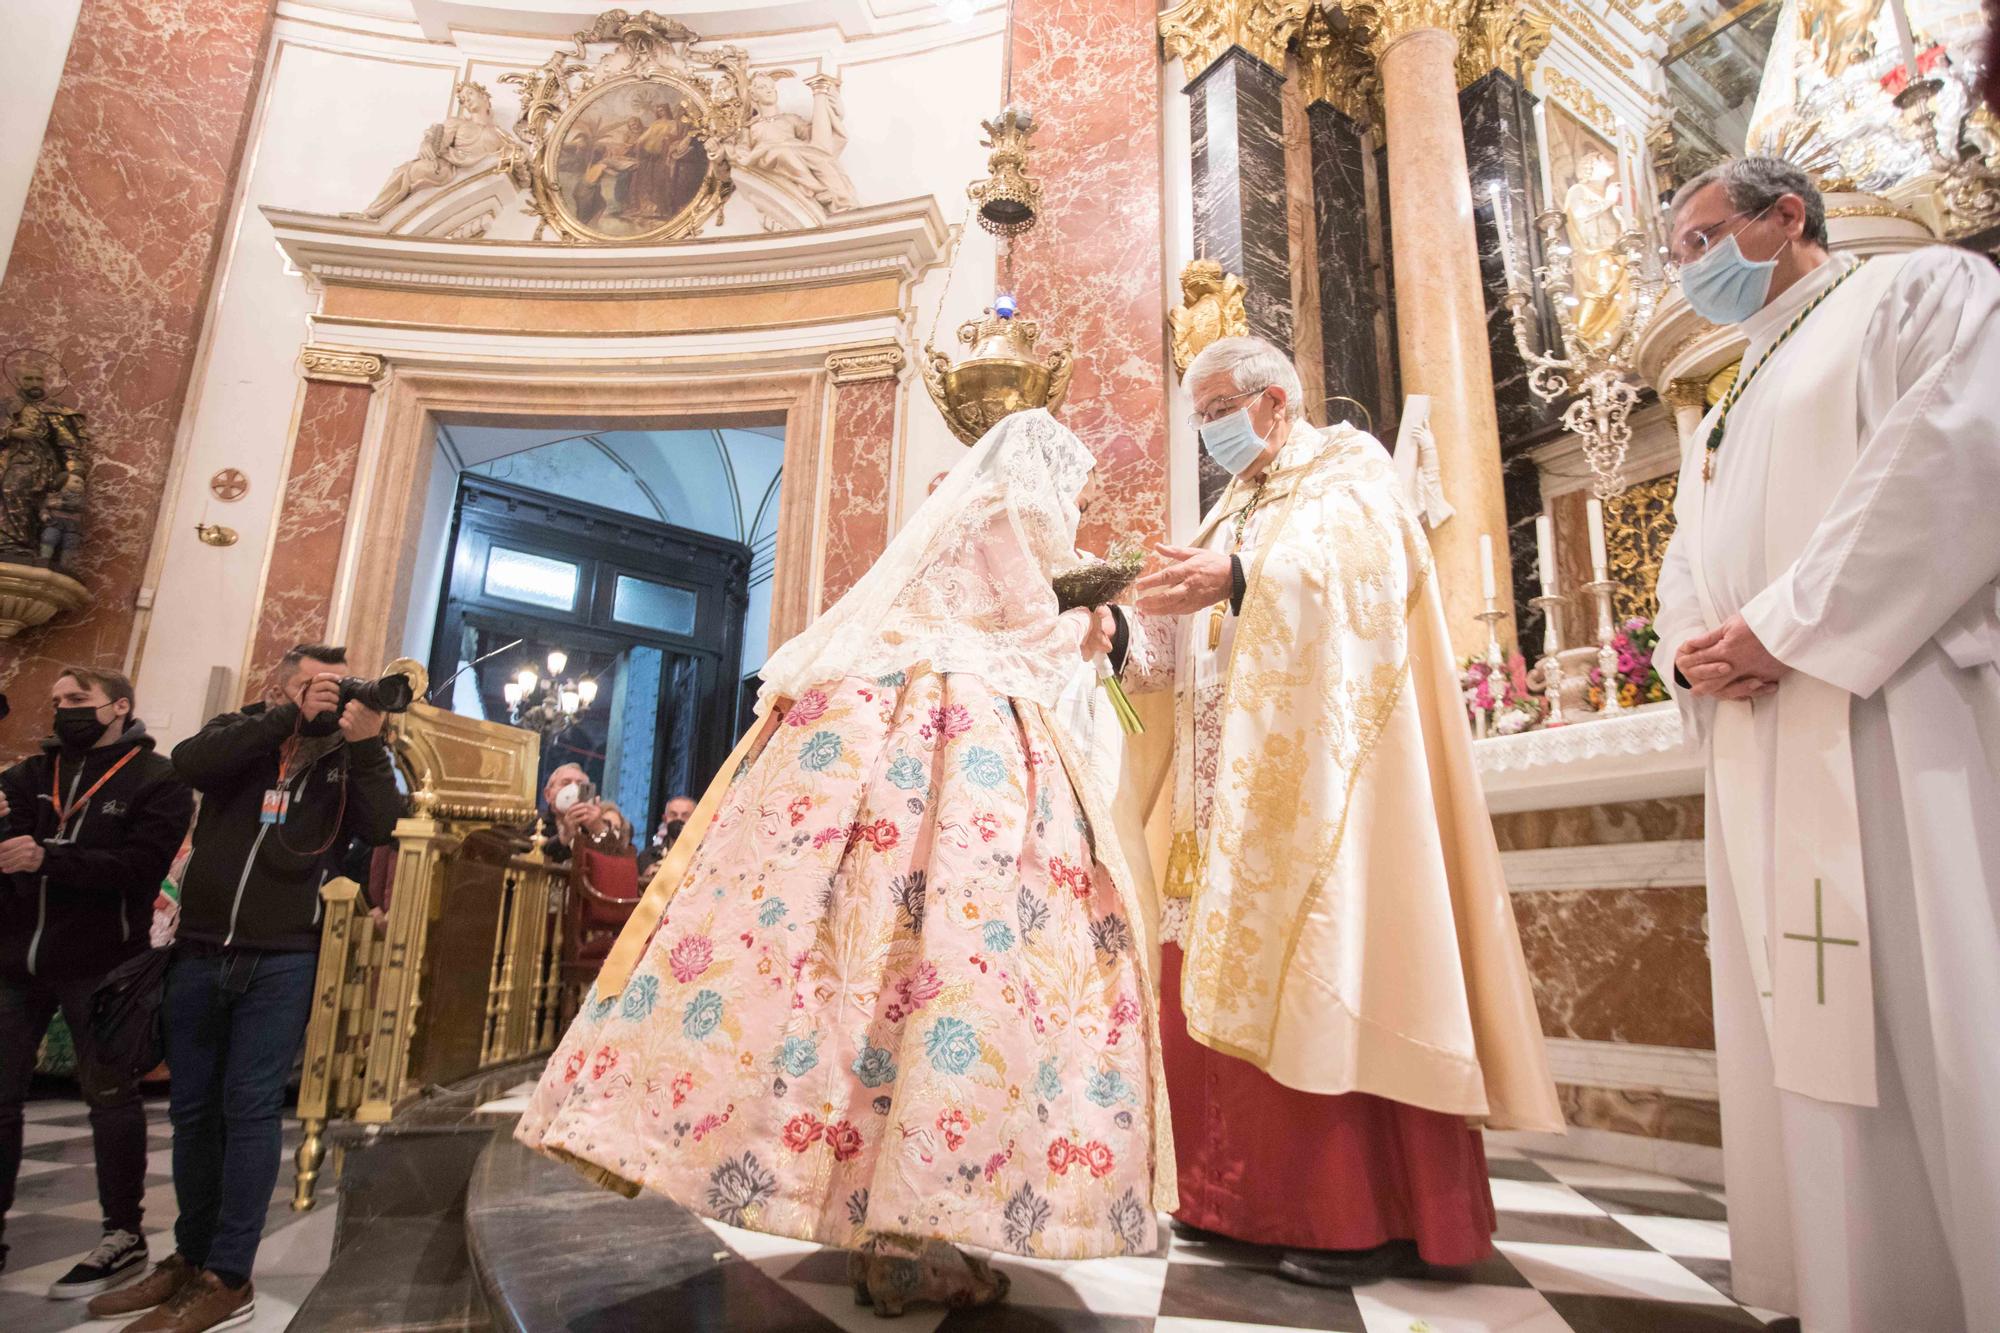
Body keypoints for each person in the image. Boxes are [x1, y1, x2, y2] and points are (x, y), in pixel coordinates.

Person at [514, 409, 1170, 1315]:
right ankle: (906, 1229)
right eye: (1074, 489)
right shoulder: (1001, 512)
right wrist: (1096, 629)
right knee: (956, 981)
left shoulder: (945, 529)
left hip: (871, 748)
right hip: (966, 758)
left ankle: (874, 1216)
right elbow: (1028, 634)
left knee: (857, 986)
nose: (1073, 505)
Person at [1116, 336, 1560, 1284]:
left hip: (1327, 802)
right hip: (1221, 799)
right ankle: (1228, 1200)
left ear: (1277, 399)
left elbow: (1359, 580)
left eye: (1219, 406)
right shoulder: (1235, 502)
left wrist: (1237, 578)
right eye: (1198, 414)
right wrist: (1119, 631)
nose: (1209, 430)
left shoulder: (1348, 468)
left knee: (1330, 967)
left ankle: (1356, 1216)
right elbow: (1181, 656)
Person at [1654, 156, 2000, 1332]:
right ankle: (1845, 1294)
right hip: (1761, 733)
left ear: (1782, 216)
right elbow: (1687, 563)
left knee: (1931, 1009)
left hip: (1890, 718)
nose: (1684, 270)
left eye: (1700, 238)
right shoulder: (1729, 396)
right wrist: (1688, 653)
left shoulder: (1917, 295)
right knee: (1801, 1021)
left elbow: (1949, 464)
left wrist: (1788, 625)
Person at [88, 644, 401, 1332]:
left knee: (250, 1110)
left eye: (335, 685)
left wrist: (369, 743)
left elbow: (383, 823)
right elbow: (191, 763)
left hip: (282, 958)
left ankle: (228, 1276)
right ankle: (188, 1257)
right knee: (194, 1111)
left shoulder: (346, 761)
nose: (328, 695)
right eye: (314, 685)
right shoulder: (241, 734)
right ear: (282, 685)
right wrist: (283, 720)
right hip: (199, 950)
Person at [0, 668, 192, 1296]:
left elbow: (143, 866)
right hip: (15, 958)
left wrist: (48, 856)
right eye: (57, 701)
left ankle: (123, 1232)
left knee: (110, 1096)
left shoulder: (156, 779)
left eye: (77, 700)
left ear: (119, 707)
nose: (63, 710)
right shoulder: (29, 776)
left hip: (103, 961)